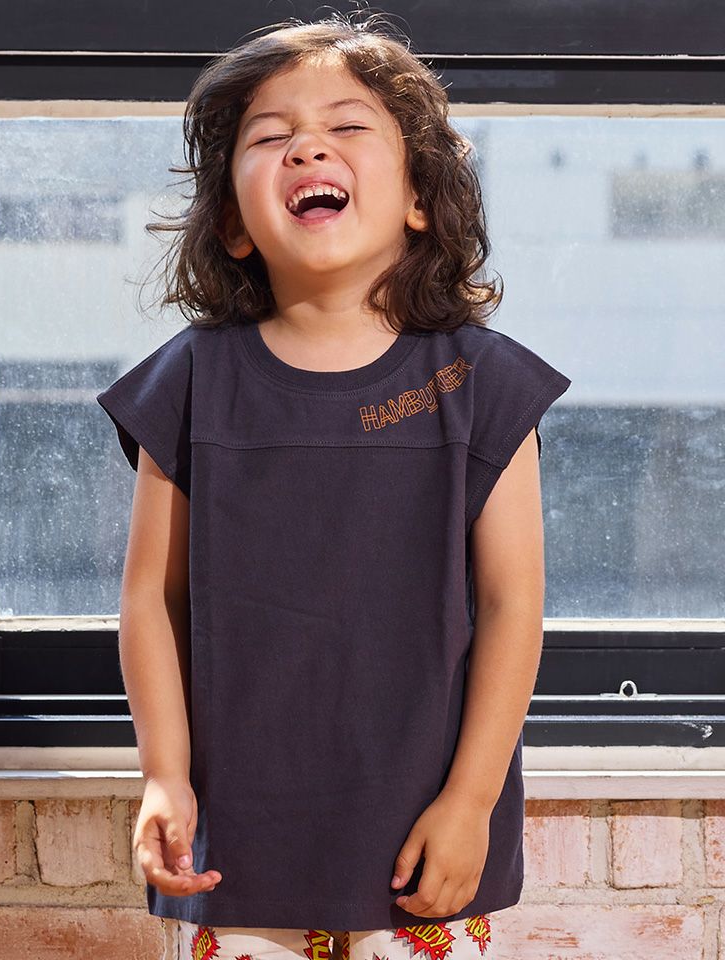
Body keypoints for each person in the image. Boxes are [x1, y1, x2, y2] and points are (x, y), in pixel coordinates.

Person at [96, 10, 571, 960]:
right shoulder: (189, 380)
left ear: (420, 197)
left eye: (347, 126)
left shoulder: (481, 382)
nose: (307, 146)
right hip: (234, 838)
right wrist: (164, 776)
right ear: (232, 223)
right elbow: (151, 597)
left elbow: (512, 604)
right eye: (270, 136)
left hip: (429, 834)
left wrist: (472, 801)